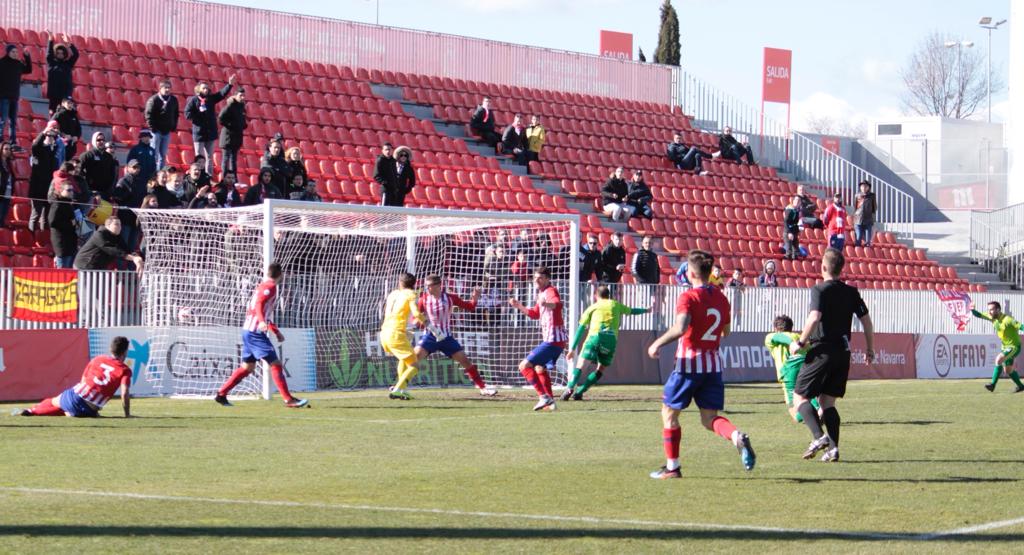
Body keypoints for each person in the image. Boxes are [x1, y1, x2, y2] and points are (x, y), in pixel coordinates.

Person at [646, 250, 756, 478]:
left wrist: (656, 343)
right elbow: (726, 332)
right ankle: (736, 436)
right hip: (713, 366)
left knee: (669, 413)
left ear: (691, 272)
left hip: (688, 365)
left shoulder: (688, 297)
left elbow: (681, 328)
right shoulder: (721, 297)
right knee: (709, 419)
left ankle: (672, 468)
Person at [790, 248, 874, 463]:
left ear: (824, 267)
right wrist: (870, 348)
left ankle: (819, 437)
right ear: (841, 268)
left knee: (799, 397)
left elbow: (814, 317)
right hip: (843, 352)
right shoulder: (851, 292)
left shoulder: (819, 290)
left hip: (823, 351)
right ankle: (834, 449)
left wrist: (799, 342)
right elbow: (866, 320)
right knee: (827, 402)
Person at [215, 263, 309, 408]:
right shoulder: (270, 287)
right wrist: (261, 322)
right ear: (280, 274)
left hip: (248, 331)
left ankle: (221, 394)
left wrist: (275, 331)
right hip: (255, 333)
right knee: (275, 364)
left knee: (247, 367)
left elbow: (264, 313)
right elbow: (259, 305)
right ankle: (288, 400)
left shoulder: (263, 286)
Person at [563, 285, 649, 401]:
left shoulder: (592, 307)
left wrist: (572, 349)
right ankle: (580, 391)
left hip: (595, 338)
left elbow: (581, 328)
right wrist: (646, 310)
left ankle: (570, 387)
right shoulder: (615, 304)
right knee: (600, 369)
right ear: (609, 295)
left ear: (595, 296)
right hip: (610, 340)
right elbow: (632, 311)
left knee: (581, 365)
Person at [415, 275, 497, 396]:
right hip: (430, 337)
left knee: (465, 361)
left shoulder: (450, 298)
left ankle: (483, 388)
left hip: (446, 337)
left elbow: (469, 307)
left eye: (429, 286)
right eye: (426, 286)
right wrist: (420, 324)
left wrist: (475, 297)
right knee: (413, 358)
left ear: (438, 285)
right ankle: (398, 386)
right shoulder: (424, 299)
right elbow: (416, 316)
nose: (427, 288)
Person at [12, 337, 132, 418]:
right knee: (68, 410)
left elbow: (83, 380)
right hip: (87, 409)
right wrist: (127, 414)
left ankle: (31, 411)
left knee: (55, 401)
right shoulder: (124, 370)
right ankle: (69, 411)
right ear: (125, 352)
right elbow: (124, 392)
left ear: (111, 349)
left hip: (73, 396)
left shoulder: (97, 359)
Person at [508, 266, 568, 411]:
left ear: (547, 279)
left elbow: (559, 304)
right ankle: (551, 402)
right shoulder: (541, 293)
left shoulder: (550, 291)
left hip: (553, 340)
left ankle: (543, 397)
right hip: (555, 340)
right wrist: (519, 306)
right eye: (535, 277)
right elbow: (534, 314)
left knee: (524, 366)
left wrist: (547, 304)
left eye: (540, 277)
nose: (536, 280)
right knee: (539, 368)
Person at [380, 272, 428, 400]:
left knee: (404, 359)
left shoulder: (393, 294)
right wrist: (429, 324)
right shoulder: (411, 294)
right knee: (415, 365)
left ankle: (401, 390)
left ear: (400, 282)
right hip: (395, 333)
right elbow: (416, 314)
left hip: (385, 332)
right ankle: (397, 389)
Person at [765, 315, 819, 423]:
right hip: (804, 369)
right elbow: (811, 349)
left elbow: (778, 337)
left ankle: (818, 407)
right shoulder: (798, 337)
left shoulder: (771, 337)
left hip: (788, 372)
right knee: (804, 396)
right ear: (791, 327)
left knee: (794, 412)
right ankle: (817, 406)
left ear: (775, 328)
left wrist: (791, 343)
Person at [184, 74, 236, 173]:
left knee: (209, 158)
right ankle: (198, 174)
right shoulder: (193, 100)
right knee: (199, 157)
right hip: (199, 133)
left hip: (210, 133)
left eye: (207, 88)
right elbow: (187, 114)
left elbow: (221, 94)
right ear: (199, 89)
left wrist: (229, 85)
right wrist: (198, 117)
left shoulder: (210, 99)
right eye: (204, 88)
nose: (206, 90)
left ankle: (208, 176)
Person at [969, 301, 1024, 393]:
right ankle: (1021, 386)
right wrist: (972, 309)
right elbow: (978, 315)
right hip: (1005, 347)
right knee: (1008, 370)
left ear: (998, 310)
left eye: (991, 310)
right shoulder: (992, 318)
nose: (989, 312)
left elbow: (1021, 326)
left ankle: (992, 385)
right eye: (988, 310)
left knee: (998, 359)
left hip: (1014, 347)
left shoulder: (1008, 320)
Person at [73, 216, 144, 272]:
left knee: (101, 289)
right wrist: (133, 258)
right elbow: (112, 250)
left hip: (99, 268)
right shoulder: (99, 234)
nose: (120, 227)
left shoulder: (117, 236)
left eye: (120, 225)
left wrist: (137, 257)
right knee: (86, 290)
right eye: (116, 224)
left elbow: (126, 249)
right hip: (84, 266)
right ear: (108, 225)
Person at [110, 159, 148, 250]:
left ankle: (130, 263)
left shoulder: (141, 182)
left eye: (138, 167)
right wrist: (128, 194)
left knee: (132, 245)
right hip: (125, 217)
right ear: (128, 168)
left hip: (136, 217)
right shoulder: (123, 181)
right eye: (134, 167)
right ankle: (121, 264)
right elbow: (116, 196)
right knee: (123, 243)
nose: (137, 169)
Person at [29, 127, 61, 230]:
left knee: (46, 217)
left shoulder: (53, 153)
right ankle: (32, 238)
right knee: (35, 215)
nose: (51, 138)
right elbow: (35, 146)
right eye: (49, 136)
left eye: (53, 137)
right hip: (37, 189)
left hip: (48, 190)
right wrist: (44, 133)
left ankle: (43, 240)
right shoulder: (38, 151)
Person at [0, 43, 31, 145]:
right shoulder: (1, 63)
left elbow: (28, 70)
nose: (15, 54)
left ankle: (12, 141)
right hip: (3, 97)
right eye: (13, 52)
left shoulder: (18, 64)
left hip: (14, 97)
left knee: (13, 121)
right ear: (8, 52)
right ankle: (0, 139)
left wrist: (27, 57)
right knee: (3, 120)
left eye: (16, 52)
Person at [144, 80, 179, 169]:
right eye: (165, 87)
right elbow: (148, 114)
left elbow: (176, 114)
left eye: (169, 88)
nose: (167, 90)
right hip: (156, 131)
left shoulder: (173, 100)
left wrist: (173, 126)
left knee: (163, 155)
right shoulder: (154, 99)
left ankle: (160, 173)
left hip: (166, 131)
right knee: (154, 154)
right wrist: (152, 128)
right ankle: (152, 173)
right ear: (160, 89)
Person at [45, 32, 79, 115]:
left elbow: (76, 55)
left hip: (65, 95)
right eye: (58, 53)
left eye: (62, 53)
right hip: (54, 95)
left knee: (65, 115)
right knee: (53, 116)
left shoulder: (68, 64)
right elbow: (48, 54)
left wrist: (68, 43)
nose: (60, 55)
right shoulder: (51, 63)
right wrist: (50, 39)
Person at [48, 181, 78, 267]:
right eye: (68, 190)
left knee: (69, 272)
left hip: (70, 243)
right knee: (62, 272)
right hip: (62, 242)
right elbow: (52, 222)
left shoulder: (68, 203)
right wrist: (71, 223)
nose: (71, 192)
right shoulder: (57, 204)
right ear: (61, 191)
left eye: (72, 190)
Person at [79, 131, 117, 200]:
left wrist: (109, 189)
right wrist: (86, 186)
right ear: (94, 141)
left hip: (105, 192)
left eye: (103, 140)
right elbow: (79, 171)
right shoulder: (87, 155)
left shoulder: (109, 157)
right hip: (91, 192)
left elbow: (112, 174)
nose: (101, 142)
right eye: (98, 140)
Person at [217, 87, 246, 175]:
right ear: (235, 96)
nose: (243, 97)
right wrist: (231, 125)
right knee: (226, 159)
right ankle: (224, 177)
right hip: (228, 137)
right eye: (241, 95)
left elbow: (242, 119)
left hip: (237, 138)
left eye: (244, 96)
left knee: (233, 160)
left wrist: (243, 125)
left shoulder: (242, 107)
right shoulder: (230, 106)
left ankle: (233, 179)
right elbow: (221, 118)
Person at [373, 142, 399, 206]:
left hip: (394, 190)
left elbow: (395, 174)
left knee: (393, 210)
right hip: (386, 190)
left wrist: (396, 184)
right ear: (382, 151)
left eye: (389, 149)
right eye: (386, 149)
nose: (388, 151)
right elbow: (376, 176)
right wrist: (385, 183)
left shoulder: (393, 160)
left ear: (392, 150)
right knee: (384, 209)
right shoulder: (380, 160)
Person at [853, 180, 877, 247]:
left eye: (866, 186)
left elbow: (874, 208)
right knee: (859, 237)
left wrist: (872, 219)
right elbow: (855, 207)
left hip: (868, 220)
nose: (864, 188)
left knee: (868, 240)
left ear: (868, 187)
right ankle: (857, 251)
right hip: (858, 219)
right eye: (862, 186)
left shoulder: (872, 196)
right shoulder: (857, 195)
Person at [783, 195, 801, 260]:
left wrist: (798, 231)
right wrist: (789, 233)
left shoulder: (797, 211)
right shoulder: (790, 210)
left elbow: (795, 223)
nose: (797, 202)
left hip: (794, 232)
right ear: (793, 201)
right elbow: (786, 222)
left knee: (796, 253)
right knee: (789, 253)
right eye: (796, 200)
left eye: (799, 201)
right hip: (788, 232)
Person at [0, 142, 13, 225]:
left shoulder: (9, 163)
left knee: (2, 218)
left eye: (9, 149)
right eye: (6, 149)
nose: (8, 151)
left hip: (7, 193)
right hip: (0, 193)